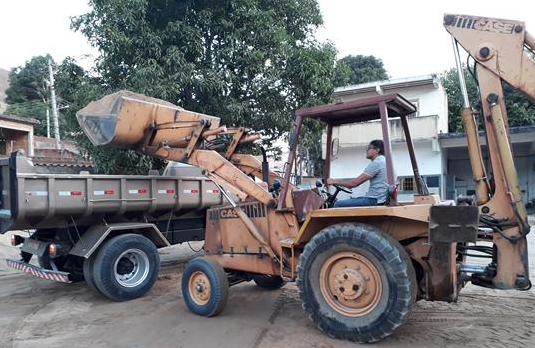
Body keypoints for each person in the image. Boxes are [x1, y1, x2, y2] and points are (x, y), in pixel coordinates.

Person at [325, 140, 389, 207]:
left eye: (369, 148)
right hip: (378, 199)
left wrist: (334, 181)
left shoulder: (377, 163)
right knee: (352, 200)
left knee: (337, 204)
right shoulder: (385, 161)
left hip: (373, 200)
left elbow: (354, 183)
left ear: (377, 150)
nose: (367, 150)